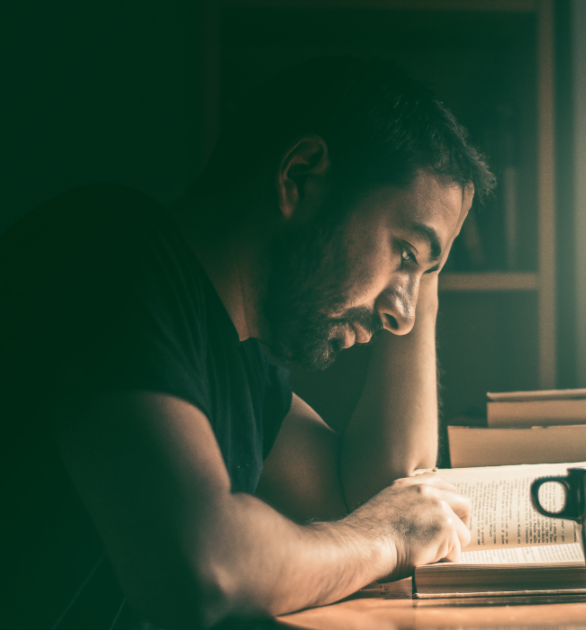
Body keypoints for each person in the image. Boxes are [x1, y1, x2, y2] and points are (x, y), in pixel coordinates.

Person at [1, 57, 495, 630]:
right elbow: (206, 571)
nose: (401, 316)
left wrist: (426, 270)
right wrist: (385, 536)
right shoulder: (110, 256)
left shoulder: (241, 359)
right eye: (402, 253)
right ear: (300, 177)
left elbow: (372, 496)